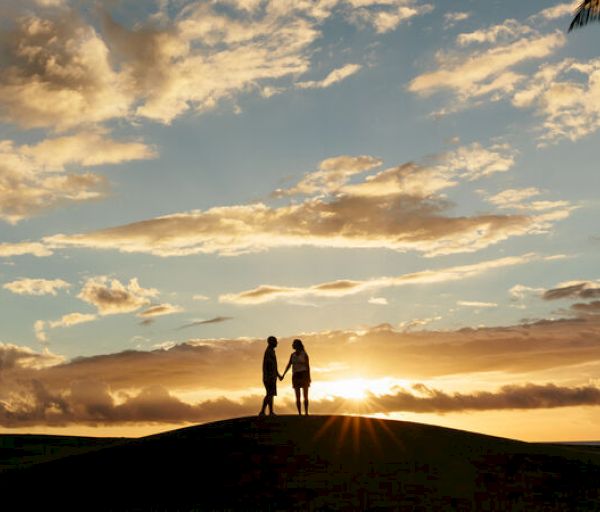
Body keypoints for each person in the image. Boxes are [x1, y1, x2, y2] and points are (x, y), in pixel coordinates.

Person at [281, 339, 311, 415]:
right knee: (297, 396)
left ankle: (306, 412)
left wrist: (309, 377)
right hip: (295, 375)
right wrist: (284, 374)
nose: (292, 345)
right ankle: (300, 413)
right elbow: (289, 365)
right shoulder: (292, 355)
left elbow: (308, 366)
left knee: (305, 395)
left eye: (294, 344)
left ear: (298, 345)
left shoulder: (304, 354)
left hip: (304, 374)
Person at [259, 335, 282, 416]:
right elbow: (271, 364)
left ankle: (270, 411)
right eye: (275, 341)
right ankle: (263, 411)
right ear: (271, 342)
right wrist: (276, 375)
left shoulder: (271, 351)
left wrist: (278, 375)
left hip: (271, 376)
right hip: (269, 377)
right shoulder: (269, 351)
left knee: (270, 394)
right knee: (269, 394)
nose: (276, 343)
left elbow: (273, 365)